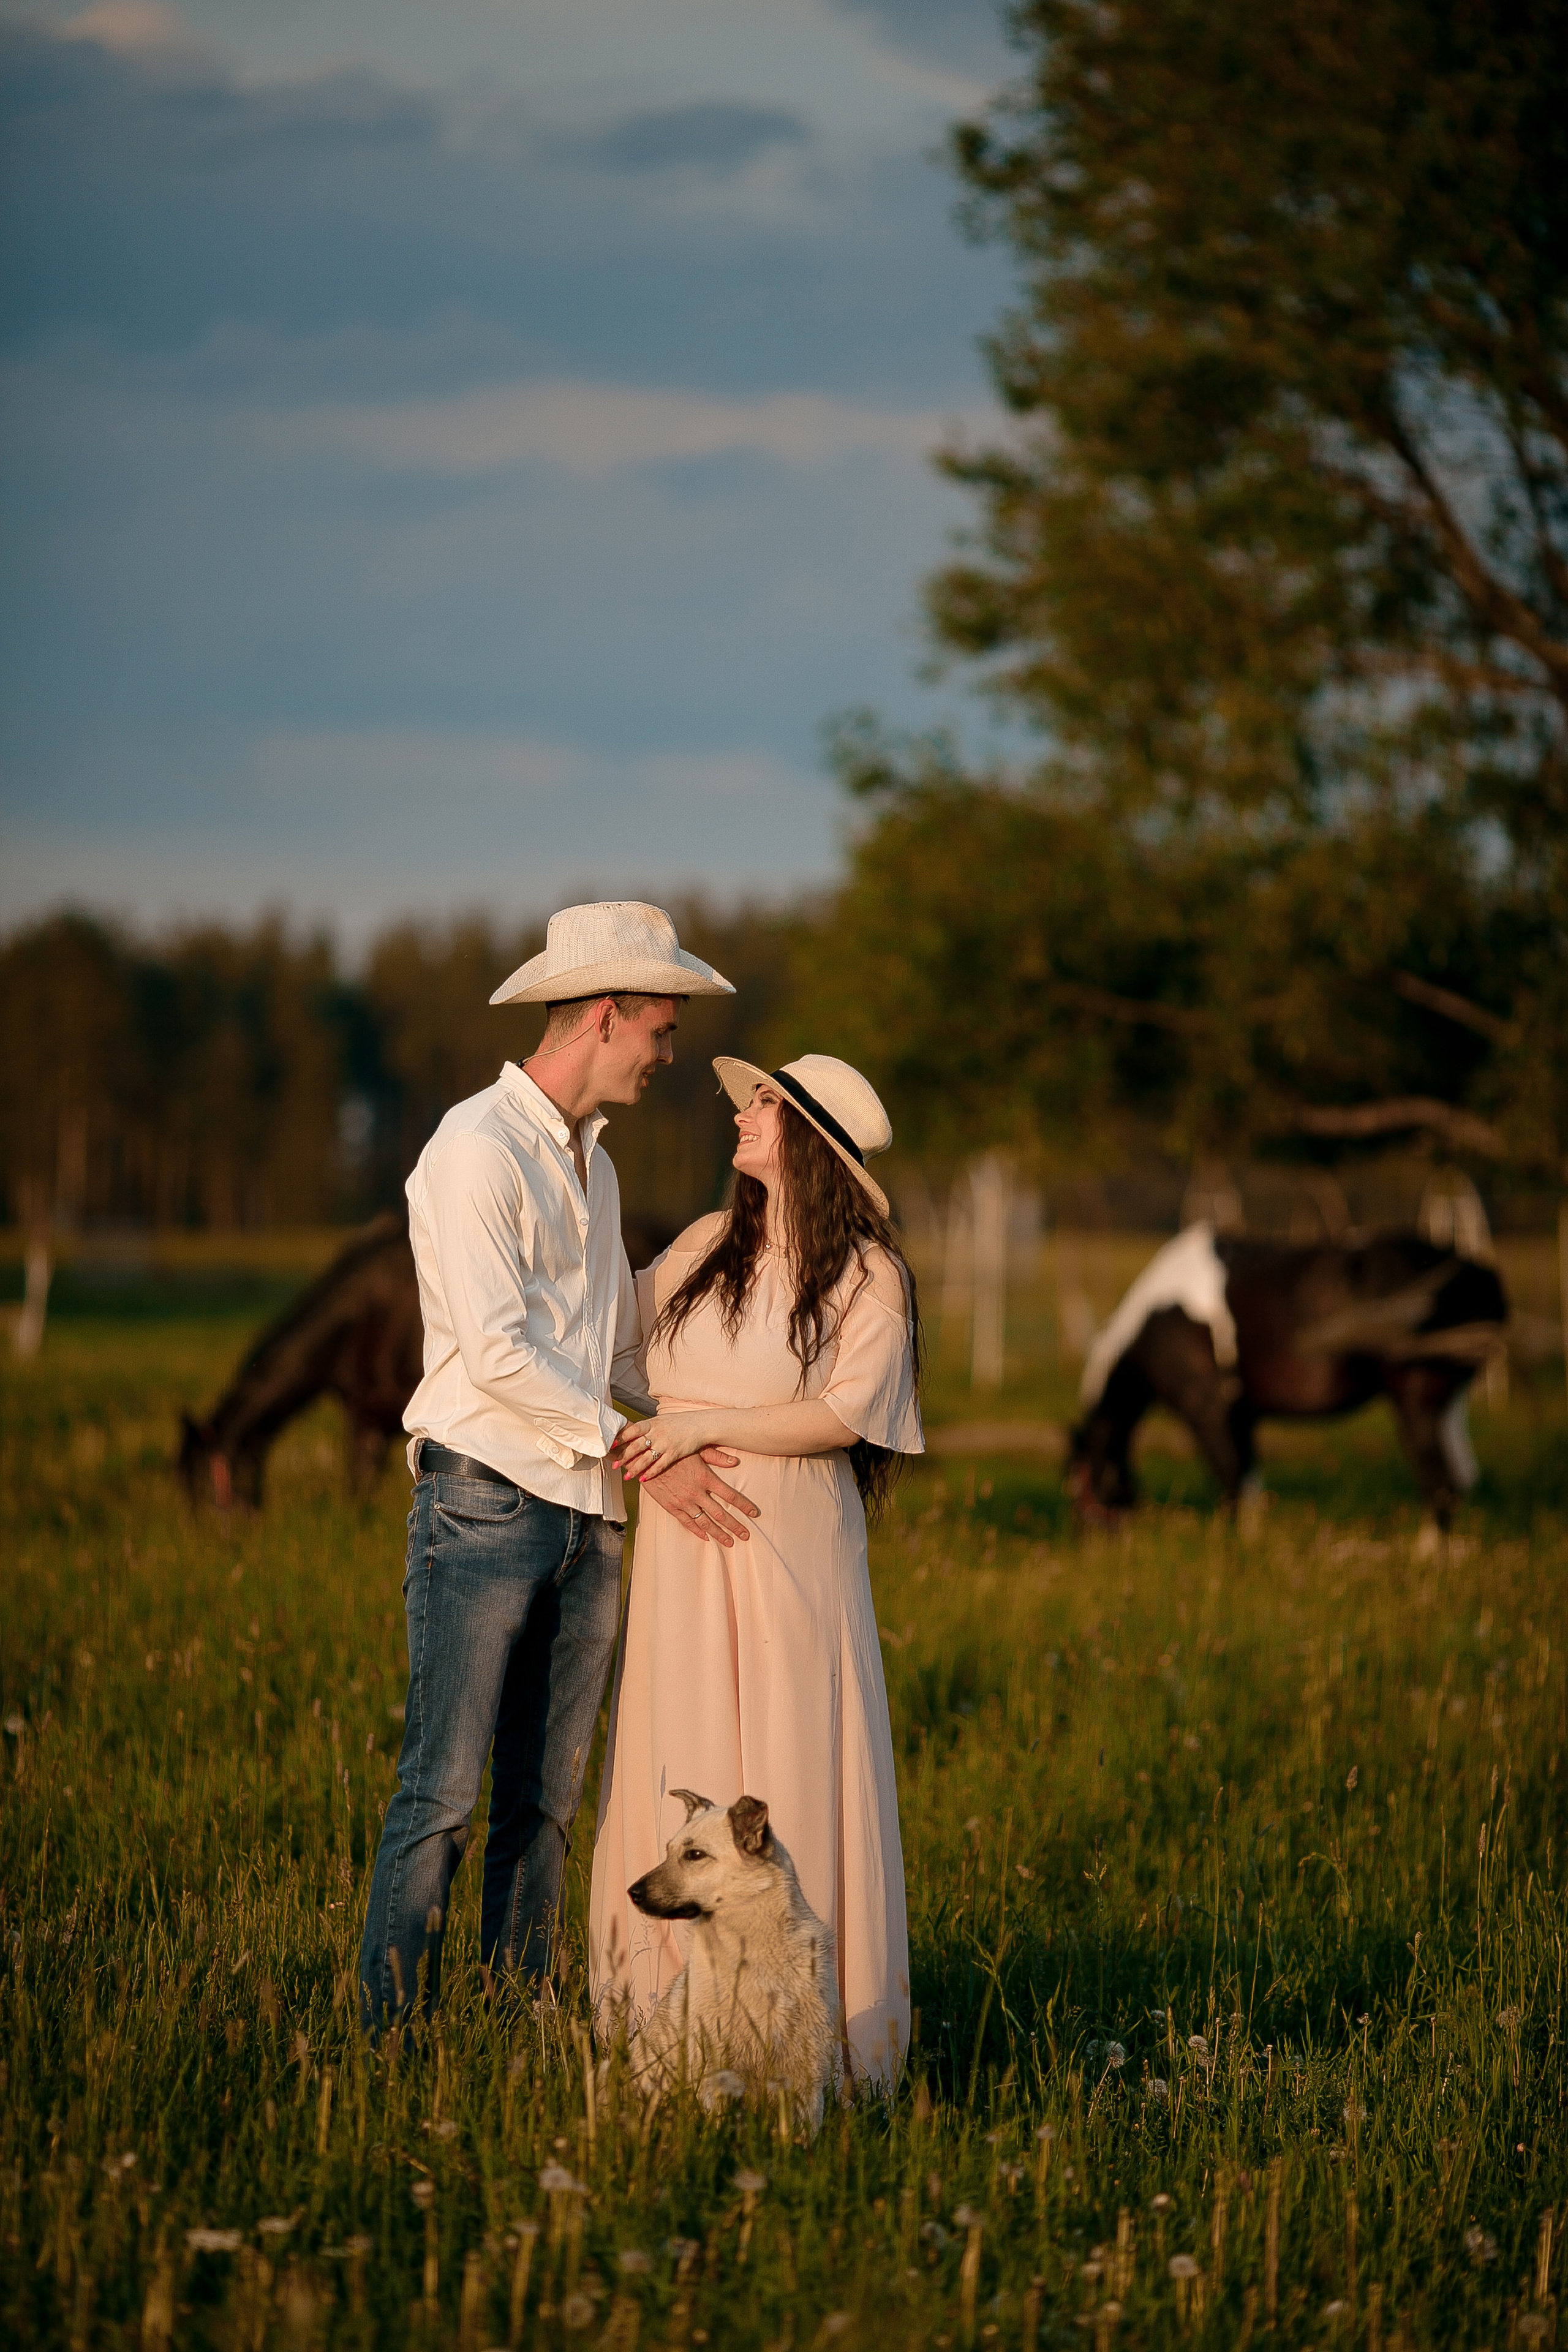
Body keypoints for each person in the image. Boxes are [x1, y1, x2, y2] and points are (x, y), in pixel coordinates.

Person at [358, 902, 760, 2036]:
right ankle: (390, 2035)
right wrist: (643, 1449)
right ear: (600, 1015)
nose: (669, 1055)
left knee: (548, 1802)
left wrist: (703, 1428)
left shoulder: (600, 1169)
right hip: (483, 1501)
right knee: (440, 1795)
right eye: (661, 1032)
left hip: (590, 1514)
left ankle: (514, 2014)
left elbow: (619, 1351)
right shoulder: (473, 1148)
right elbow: (496, 1353)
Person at [587, 1052, 924, 2089]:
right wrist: (652, 1441)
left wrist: (705, 1428)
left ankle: (817, 2046)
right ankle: (658, 2033)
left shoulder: (867, 1274)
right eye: (751, 1099)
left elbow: (843, 1413)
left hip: (790, 1553)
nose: (745, 1113)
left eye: (769, 1104)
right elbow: (606, 1347)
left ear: (813, 1142)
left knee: (786, 1754)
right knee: (682, 1742)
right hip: (687, 1550)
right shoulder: (701, 1246)